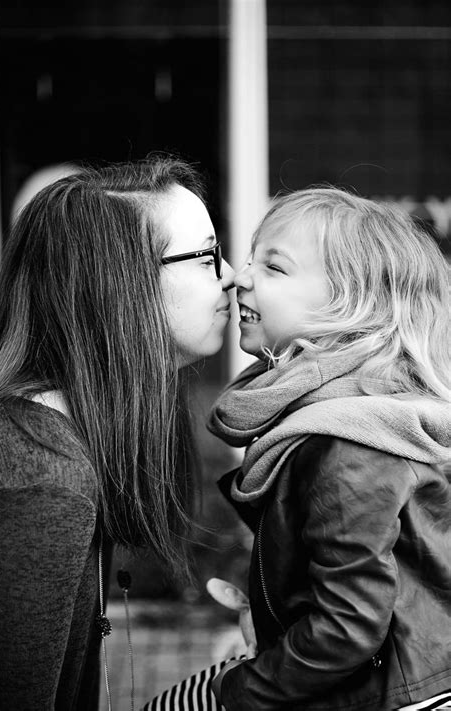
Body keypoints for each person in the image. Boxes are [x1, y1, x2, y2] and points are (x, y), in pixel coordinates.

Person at [143, 187, 450, 711]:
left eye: (274, 267)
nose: (239, 277)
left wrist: (236, 693)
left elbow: (349, 626)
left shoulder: (350, 439)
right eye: (248, 258)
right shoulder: (334, 418)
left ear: (349, 303)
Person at [0, 156, 234, 710]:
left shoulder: (46, 441)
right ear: (122, 285)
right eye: (208, 255)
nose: (233, 274)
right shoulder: (39, 477)